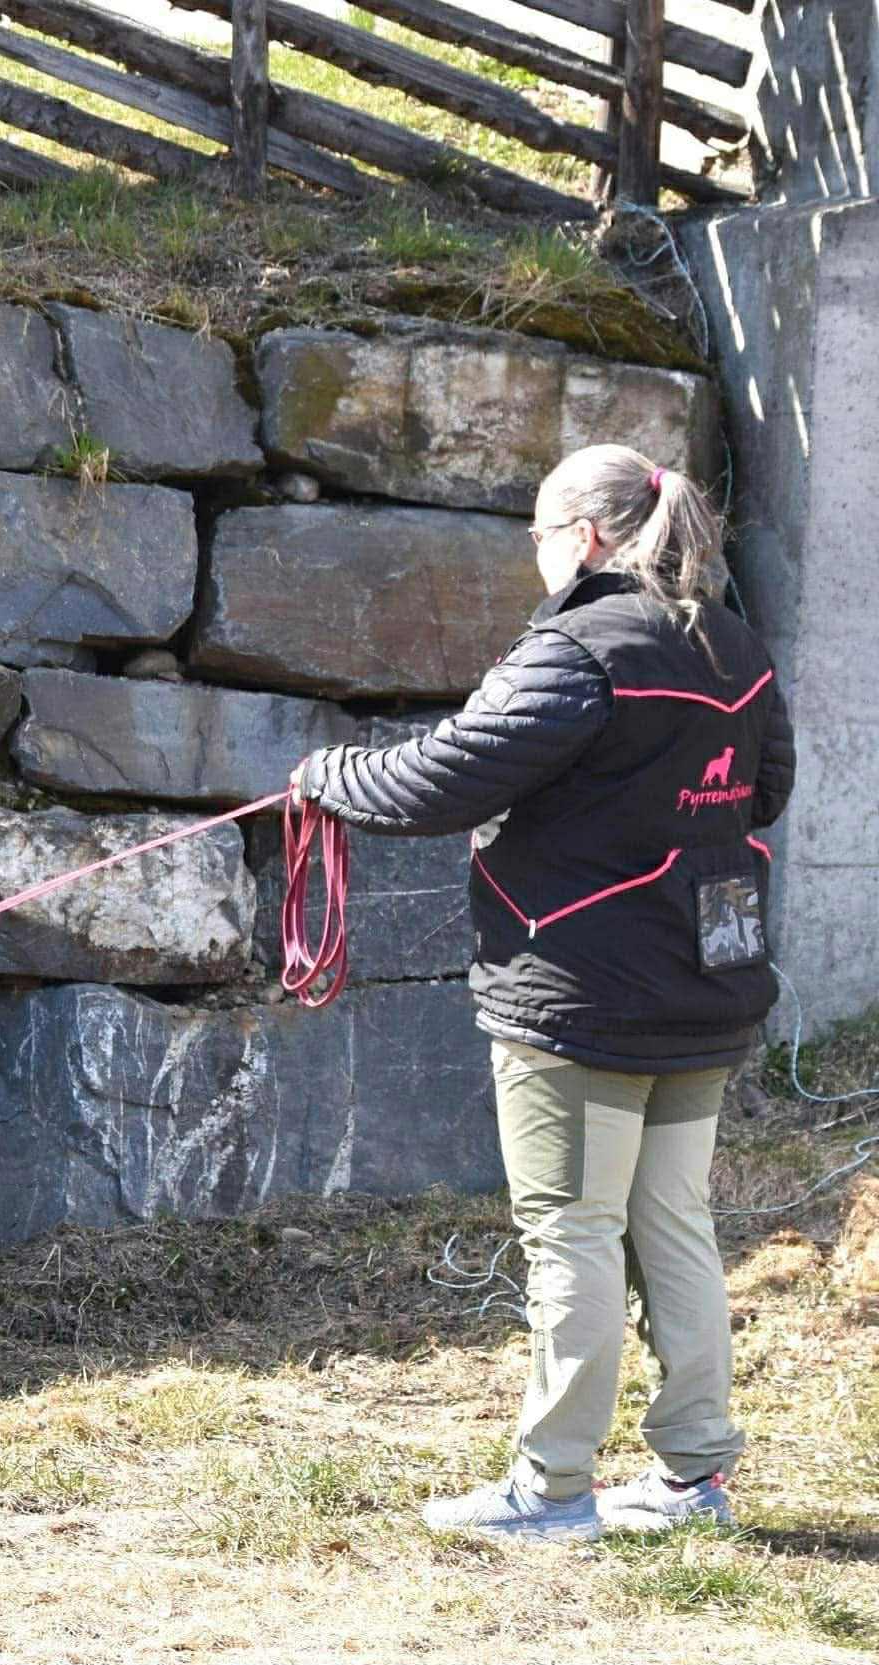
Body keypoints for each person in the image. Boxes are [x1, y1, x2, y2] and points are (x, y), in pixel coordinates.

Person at [290, 444, 797, 1544]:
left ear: (583, 538)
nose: (534, 557)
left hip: (578, 993)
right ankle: (693, 1477)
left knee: (568, 1231)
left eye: (534, 535)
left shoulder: (574, 646)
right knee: (671, 1224)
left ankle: (551, 1490)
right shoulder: (734, 646)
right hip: (702, 984)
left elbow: (441, 777)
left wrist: (323, 779)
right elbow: (764, 792)